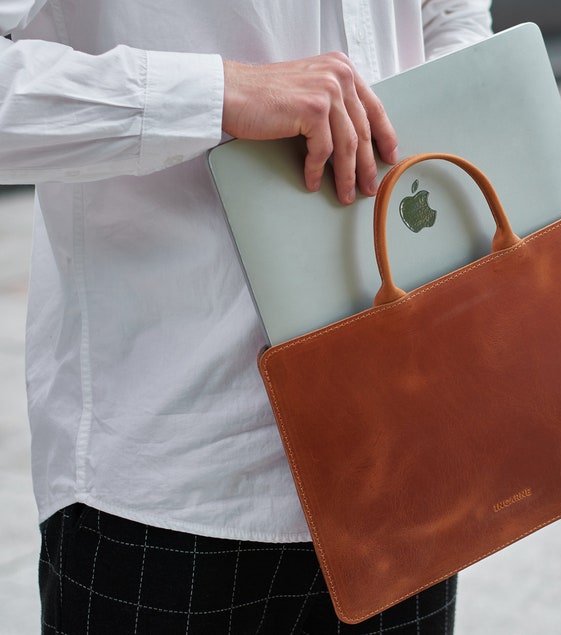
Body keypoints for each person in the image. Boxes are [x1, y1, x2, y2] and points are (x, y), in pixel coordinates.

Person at [0, 1, 492, 632]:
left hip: (402, 446)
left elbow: (448, 12)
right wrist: (216, 93)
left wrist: (442, 107)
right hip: (179, 486)